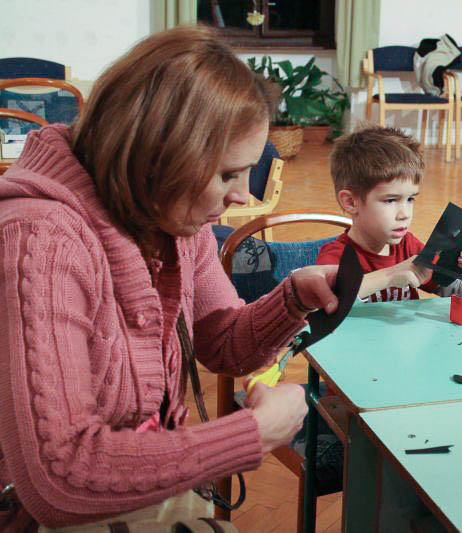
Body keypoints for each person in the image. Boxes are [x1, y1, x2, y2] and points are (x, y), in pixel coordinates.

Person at [0, 26, 340, 530]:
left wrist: (293, 298)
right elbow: (59, 477)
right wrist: (251, 435)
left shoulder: (170, 214)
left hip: (137, 489)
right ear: (160, 158)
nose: (243, 196)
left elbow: (224, 344)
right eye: (228, 174)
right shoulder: (41, 240)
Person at [316, 126, 462, 301]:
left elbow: (456, 293)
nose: (405, 214)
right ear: (350, 202)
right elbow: (327, 302)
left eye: (410, 199)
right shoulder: (336, 256)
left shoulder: (408, 245)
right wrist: (390, 276)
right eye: (390, 200)